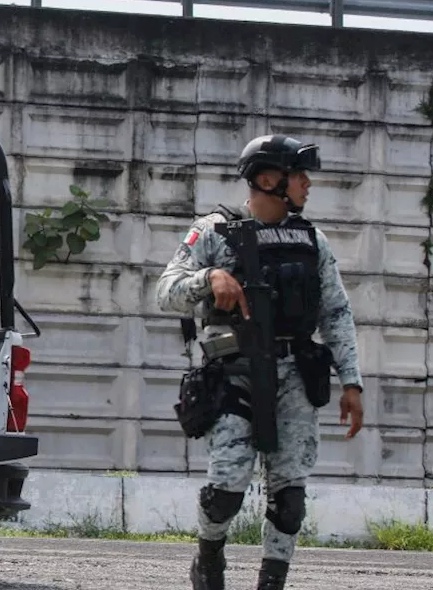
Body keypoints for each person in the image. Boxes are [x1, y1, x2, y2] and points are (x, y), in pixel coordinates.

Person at [154, 134, 366, 590]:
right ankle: (208, 560)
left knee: (289, 496)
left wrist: (352, 382)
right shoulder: (214, 231)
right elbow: (165, 290)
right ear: (269, 180)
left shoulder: (312, 240)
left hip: (294, 374)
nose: (307, 184)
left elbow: (336, 313)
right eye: (298, 175)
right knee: (225, 492)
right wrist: (209, 278)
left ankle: (272, 581)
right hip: (235, 372)